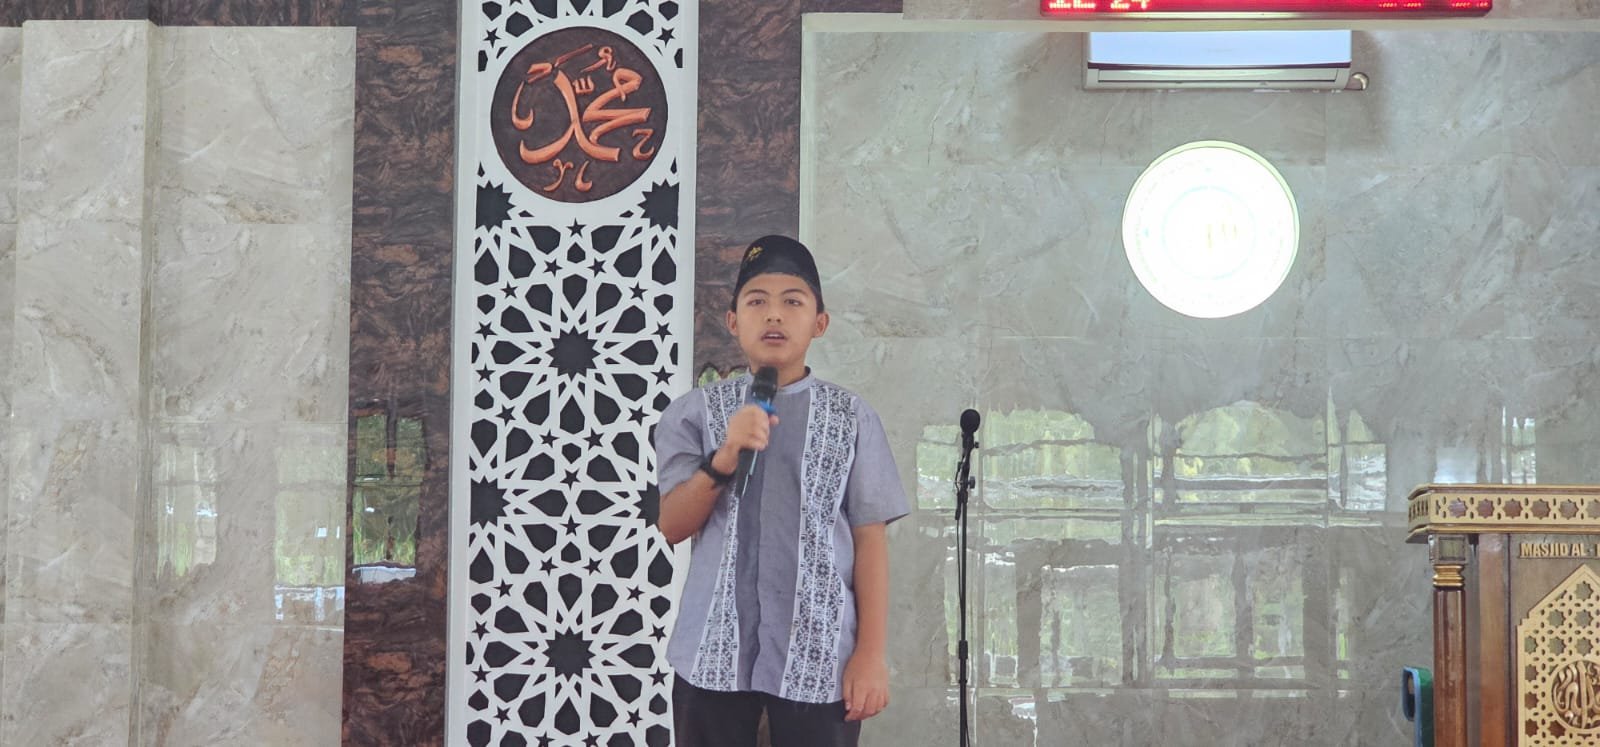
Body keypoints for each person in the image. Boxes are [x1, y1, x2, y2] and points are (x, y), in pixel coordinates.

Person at [652, 235, 909, 747]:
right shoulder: (693, 413)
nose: (774, 315)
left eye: (792, 301)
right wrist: (724, 457)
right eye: (757, 301)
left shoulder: (852, 418)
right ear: (733, 322)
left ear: (819, 323)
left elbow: (870, 542)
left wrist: (869, 656)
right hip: (711, 658)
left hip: (820, 658)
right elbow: (673, 525)